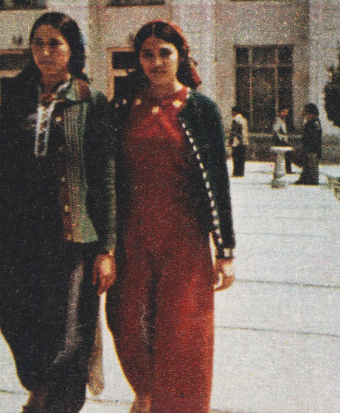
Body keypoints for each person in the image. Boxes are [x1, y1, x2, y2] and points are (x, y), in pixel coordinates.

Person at [0, 12, 117, 413]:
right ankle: (39, 387)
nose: (45, 52)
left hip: (72, 238)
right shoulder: (16, 98)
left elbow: (105, 180)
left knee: (68, 332)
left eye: (55, 43)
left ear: (73, 49)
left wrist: (107, 248)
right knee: (16, 320)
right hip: (18, 238)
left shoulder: (91, 102)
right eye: (38, 43)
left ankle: (49, 403)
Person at [107, 20, 235, 413]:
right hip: (133, 239)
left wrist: (225, 249)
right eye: (147, 53)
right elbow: (109, 174)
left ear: (180, 55)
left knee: (182, 336)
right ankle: (146, 394)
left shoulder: (201, 109)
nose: (157, 61)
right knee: (127, 324)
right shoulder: (125, 106)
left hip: (183, 241)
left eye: (165, 52)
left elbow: (218, 181)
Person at [294, 103, 322, 186]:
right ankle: (304, 179)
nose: (304, 113)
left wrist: (306, 148)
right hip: (308, 148)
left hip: (312, 149)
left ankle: (311, 180)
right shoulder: (310, 122)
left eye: (305, 111)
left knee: (312, 166)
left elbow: (314, 139)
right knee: (306, 165)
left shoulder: (315, 123)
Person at [227, 107, 249, 178]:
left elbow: (233, 132)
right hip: (244, 141)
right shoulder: (244, 120)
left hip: (237, 141)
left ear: (235, 112)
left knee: (236, 157)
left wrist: (230, 141)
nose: (231, 113)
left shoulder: (235, 120)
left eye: (232, 112)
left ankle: (236, 172)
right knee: (241, 158)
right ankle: (241, 172)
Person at [272, 106, 293, 175]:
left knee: (288, 154)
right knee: (288, 153)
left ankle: (288, 169)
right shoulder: (278, 119)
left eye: (286, 112)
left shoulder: (282, 120)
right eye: (284, 112)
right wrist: (282, 138)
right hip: (280, 141)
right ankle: (288, 169)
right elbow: (275, 130)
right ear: (279, 112)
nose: (285, 113)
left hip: (283, 140)